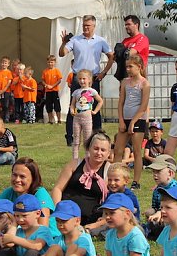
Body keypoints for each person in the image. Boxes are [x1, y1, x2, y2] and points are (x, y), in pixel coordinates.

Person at [78, 193, 151, 256]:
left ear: (127, 214)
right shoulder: (110, 234)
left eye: (112, 213)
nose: (107, 217)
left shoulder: (135, 235)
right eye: (105, 213)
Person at [60, 15, 115, 141]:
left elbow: (111, 56)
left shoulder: (100, 41)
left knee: (94, 106)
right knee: (73, 106)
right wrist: (64, 43)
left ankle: (97, 135)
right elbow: (62, 53)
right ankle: (70, 136)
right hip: (77, 78)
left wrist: (104, 72)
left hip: (93, 79)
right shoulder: (75, 40)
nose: (85, 28)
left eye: (88, 26)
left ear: (94, 26)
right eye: (84, 25)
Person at [52, 132, 112, 226]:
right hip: (65, 214)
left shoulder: (109, 171)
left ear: (108, 153)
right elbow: (57, 189)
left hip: (91, 219)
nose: (99, 153)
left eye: (103, 150)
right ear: (89, 149)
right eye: (96, 148)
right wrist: (58, 211)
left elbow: (113, 200)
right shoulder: (75, 164)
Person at [114, 55, 150, 188]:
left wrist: (134, 122)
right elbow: (121, 102)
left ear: (139, 67)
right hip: (125, 119)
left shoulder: (145, 83)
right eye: (127, 67)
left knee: (136, 150)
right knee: (118, 150)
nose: (128, 69)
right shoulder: (124, 82)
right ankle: (116, 177)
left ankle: (136, 182)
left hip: (138, 120)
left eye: (131, 66)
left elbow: (143, 106)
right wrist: (121, 121)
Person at [0, 158, 55, 235]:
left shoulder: (40, 194)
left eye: (22, 176)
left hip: (44, 239)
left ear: (33, 179)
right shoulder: (9, 192)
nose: (17, 180)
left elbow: (43, 228)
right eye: (14, 175)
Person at [69, 69, 103, 163]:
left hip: (87, 118)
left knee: (87, 140)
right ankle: (74, 160)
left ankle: (88, 159)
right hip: (77, 119)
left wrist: (95, 111)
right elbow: (72, 104)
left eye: (84, 78)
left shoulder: (92, 91)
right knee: (76, 140)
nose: (82, 81)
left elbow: (100, 101)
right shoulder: (76, 92)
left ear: (89, 79)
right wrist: (72, 110)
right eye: (80, 79)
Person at [41, 55, 62, 124]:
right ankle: (50, 120)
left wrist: (52, 86)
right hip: (48, 91)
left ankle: (59, 120)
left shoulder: (57, 71)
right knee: (49, 106)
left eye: (52, 62)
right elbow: (43, 80)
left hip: (55, 91)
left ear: (55, 62)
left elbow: (59, 80)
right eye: (49, 62)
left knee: (57, 106)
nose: (50, 64)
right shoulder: (45, 71)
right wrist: (46, 85)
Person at [0, 57, 14, 123]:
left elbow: (9, 82)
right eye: (2, 63)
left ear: (8, 64)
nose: (4, 64)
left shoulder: (8, 72)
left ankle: (7, 118)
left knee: (6, 105)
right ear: (0, 63)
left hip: (6, 91)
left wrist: (3, 90)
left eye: (5, 63)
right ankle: (2, 117)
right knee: (2, 105)